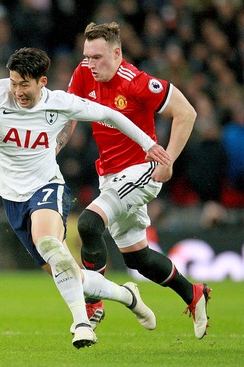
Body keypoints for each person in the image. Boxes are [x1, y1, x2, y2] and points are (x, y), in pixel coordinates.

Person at [0, 47, 171, 348]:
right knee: (68, 273)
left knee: (49, 243)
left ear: (42, 82)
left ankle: (81, 323)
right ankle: (127, 295)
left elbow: (111, 115)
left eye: (24, 84)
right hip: (12, 199)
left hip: (48, 187)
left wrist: (149, 145)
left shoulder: (61, 103)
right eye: (14, 82)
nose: (17, 90)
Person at [63, 22, 211, 339]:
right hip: (110, 175)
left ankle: (93, 302)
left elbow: (187, 113)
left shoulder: (137, 82)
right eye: (87, 56)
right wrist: (55, 146)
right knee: (138, 258)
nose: (91, 64)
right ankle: (193, 293)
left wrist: (168, 159)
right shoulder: (83, 72)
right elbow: (71, 114)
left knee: (89, 224)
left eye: (98, 57)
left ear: (117, 53)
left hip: (143, 169)